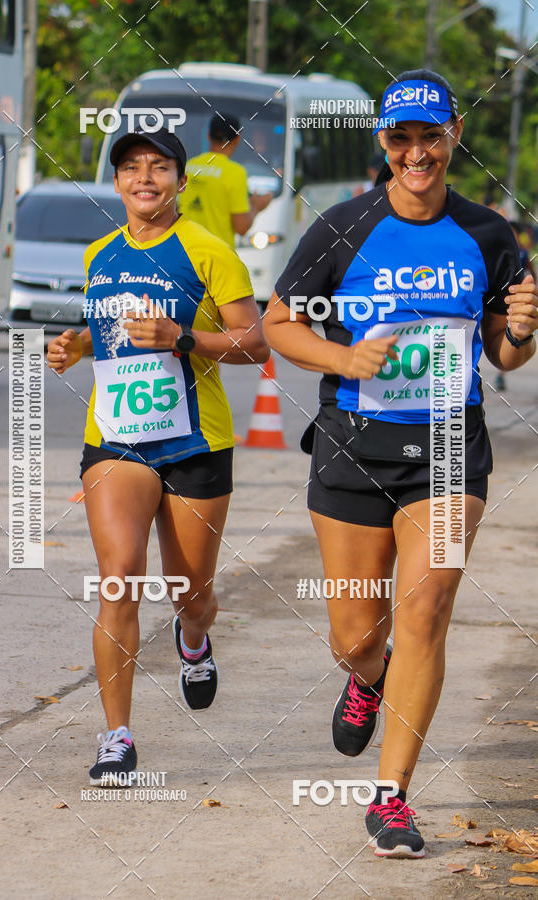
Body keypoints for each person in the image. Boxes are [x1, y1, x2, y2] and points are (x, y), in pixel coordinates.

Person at [263, 69, 538, 858]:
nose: (416, 151)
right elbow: (280, 324)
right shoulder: (343, 227)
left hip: (453, 446)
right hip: (353, 445)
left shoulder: (491, 236)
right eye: (400, 137)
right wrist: (344, 361)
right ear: (383, 143)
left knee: (427, 611)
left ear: (454, 134)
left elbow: (505, 355)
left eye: (430, 134)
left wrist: (520, 328)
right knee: (356, 633)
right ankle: (367, 674)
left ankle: (391, 797)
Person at [46, 127, 268, 785]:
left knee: (189, 592)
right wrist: (77, 346)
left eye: (160, 167)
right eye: (132, 168)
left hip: (195, 441)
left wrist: (182, 338)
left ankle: (194, 638)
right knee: (119, 576)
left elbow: (255, 344)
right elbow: (109, 331)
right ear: (116, 182)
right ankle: (117, 737)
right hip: (115, 438)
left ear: (179, 179)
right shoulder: (98, 255)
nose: (145, 178)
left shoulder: (208, 251)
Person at [179, 112, 272, 248]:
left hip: (185, 250)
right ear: (237, 139)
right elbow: (241, 228)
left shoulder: (189, 165)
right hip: (217, 256)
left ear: (208, 135)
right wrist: (256, 207)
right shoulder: (235, 173)